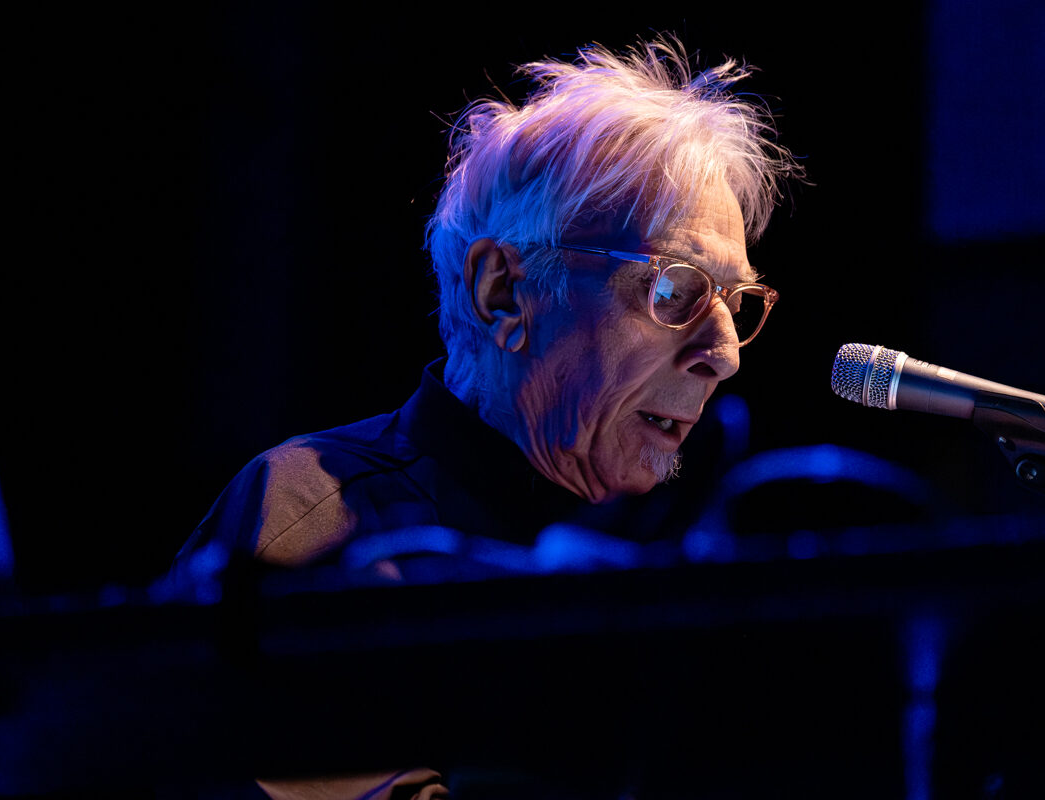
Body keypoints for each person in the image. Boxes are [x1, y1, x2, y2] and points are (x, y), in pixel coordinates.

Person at [170, 34, 804, 799]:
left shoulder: (698, 573)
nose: (726, 354)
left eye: (737, 303)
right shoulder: (309, 519)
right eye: (674, 289)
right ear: (503, 293)